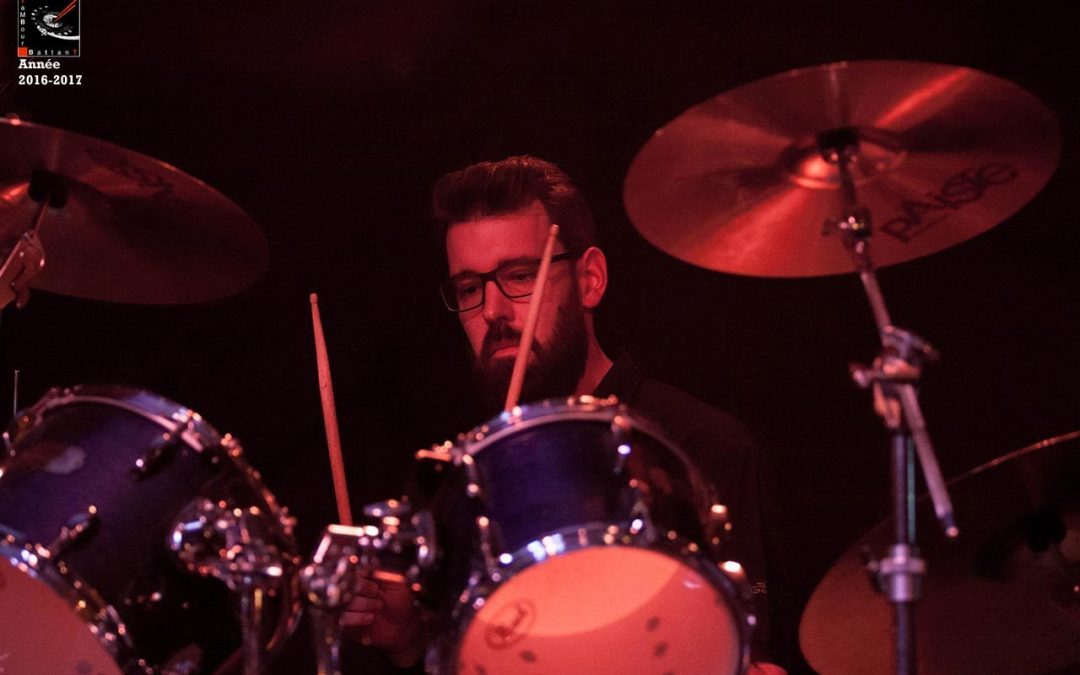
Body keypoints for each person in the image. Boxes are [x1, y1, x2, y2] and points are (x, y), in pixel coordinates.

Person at [342, 155, 782, 673]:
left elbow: (746, 646)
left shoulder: (697, 446)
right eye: (470, 289)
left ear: (590, 279)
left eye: (519, 276)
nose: (492, 311)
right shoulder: (459, 485)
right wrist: (409, 642)